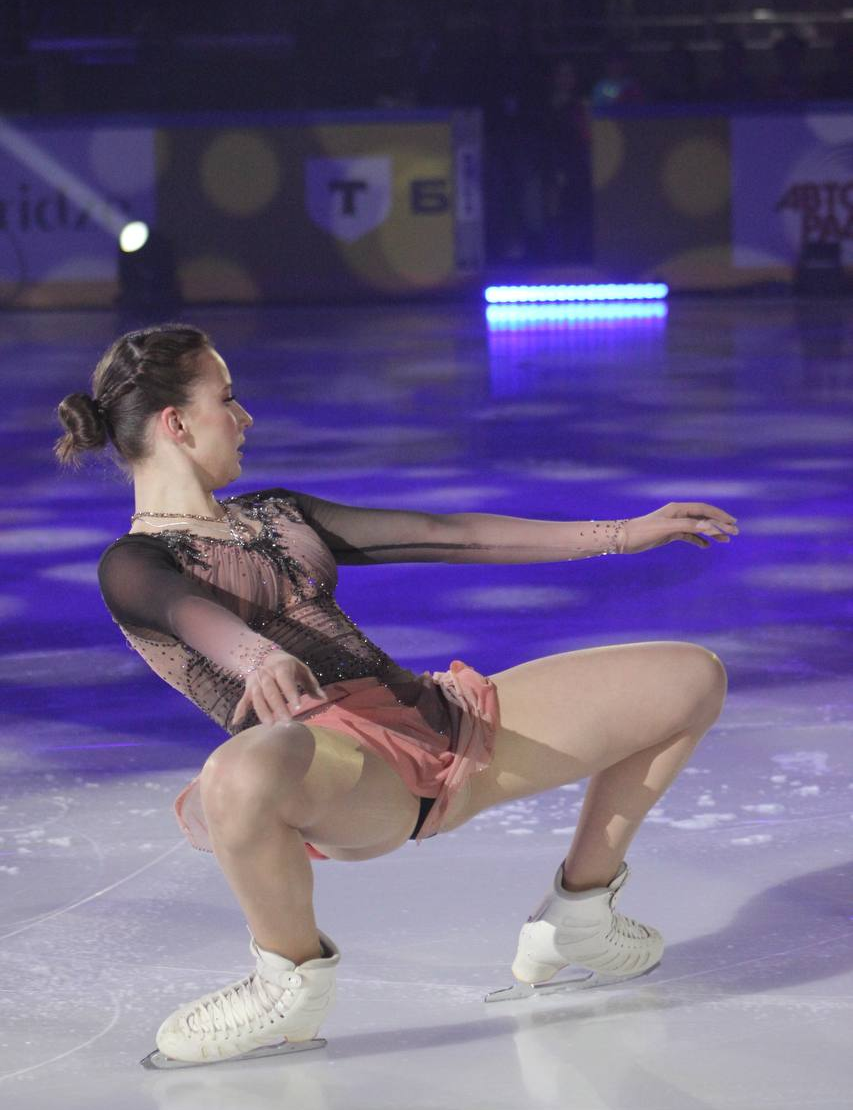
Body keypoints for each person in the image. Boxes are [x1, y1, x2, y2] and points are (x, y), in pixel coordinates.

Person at [54, 323, 738, 1067]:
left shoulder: (276, 513)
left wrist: (622, 533)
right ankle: (285, 981)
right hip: (346, 772)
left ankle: (579, 910)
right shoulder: (133, 562)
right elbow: (188, 613)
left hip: (441, 720)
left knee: (689, 677)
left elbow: (450, 533)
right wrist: (256, 657)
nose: (244, 416)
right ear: (177, 423)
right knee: (237, 774)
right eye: (227, 398)